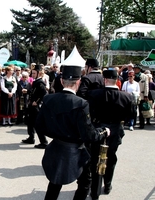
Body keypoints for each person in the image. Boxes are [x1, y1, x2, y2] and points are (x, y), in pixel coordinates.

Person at [35, 65, 110, 200]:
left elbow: (39, 126)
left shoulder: (48, 99)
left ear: (62, 81)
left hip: (56, 147)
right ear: (78, 82)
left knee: (55, 182)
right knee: (85, 182)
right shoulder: (81, 103)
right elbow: (89, 135)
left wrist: (56, 134)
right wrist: (103, 132)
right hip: (76, 150)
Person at [87, 69, 134, 200]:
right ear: (117, 81)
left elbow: (89, 112)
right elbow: (131, 115)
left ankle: (94, 191)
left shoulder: (93, 94)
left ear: (105, 80)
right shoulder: (127, 96)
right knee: (111, 157)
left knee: (96, 159)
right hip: (115, 130)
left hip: (98, 128)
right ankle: (107, 185)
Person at [22, 64, 48, 149]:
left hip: (36, 107)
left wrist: (37, 102)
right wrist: (28, 91)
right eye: (32, 73)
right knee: (30, 122)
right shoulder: (35, 81)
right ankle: (31, 138)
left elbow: (44, 94)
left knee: (38, 124)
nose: (32, 75)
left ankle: (44, 142)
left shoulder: (40, 83)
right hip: (31, 105)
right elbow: (34, 92)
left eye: (34, 73)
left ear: (39, 73)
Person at [133, 64, 149, 129]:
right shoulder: (132, 75)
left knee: (141, 111)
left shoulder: (144, 76)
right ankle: (133, 123)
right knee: (133, 110)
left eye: (137, 68)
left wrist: (146, 95)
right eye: (135, 68)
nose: (135, 70)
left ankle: (141, 124)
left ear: (139, 69)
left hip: (141, 95)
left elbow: (146, 86)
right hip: (134, 95)